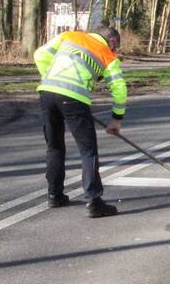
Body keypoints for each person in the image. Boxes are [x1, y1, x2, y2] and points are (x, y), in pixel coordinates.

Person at [34, 27, 127, 218]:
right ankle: (94, 201)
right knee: (88, 150)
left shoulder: (70, 36)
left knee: (54, 146)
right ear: (112, 42)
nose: (115, 50)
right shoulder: (107, 54)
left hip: (47, 93)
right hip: (74, 99)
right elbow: (119, 88)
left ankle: (54, 195)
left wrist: (50, 79)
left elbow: (40, 54)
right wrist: (116, 119)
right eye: (116, 46)